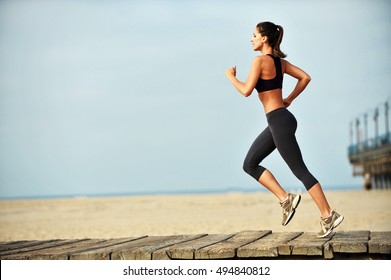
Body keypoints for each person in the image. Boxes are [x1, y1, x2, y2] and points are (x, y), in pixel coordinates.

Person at [225, 21, 344, 238]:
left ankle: (328, 215)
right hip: (280, 119)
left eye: (253, 35)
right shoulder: (280, 63)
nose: (250, 38)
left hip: (278, 121)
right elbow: (305, 77)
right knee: (249, 164)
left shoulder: (259, 61)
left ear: (264, 39)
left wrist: (231, 77)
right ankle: (285, 199)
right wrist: (288, 98)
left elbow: (245, 91)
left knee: (300, 171)